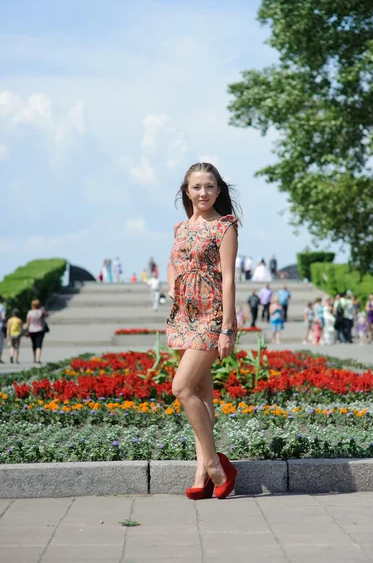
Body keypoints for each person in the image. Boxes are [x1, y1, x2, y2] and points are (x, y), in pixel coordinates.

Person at [166, 162, 240, 500]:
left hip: (211, 317)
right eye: (196, 187)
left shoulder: (224, 227)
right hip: (184, 316)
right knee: (201, 393)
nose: (203, 193)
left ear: (218, 190)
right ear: (187, 191)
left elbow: (228, 278)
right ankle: (202, 471)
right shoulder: (181, 228)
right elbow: (173, 262)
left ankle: (214, 465)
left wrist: (228, 327)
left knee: (181, 387)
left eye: (209, 187)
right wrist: (171, 285)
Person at [26, 299, 48, 365]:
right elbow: (47, 315)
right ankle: (38, 359)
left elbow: (28, 322)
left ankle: (34, 358)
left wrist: (27, 330)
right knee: (39, 344)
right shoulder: (41, 312)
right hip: (40, 329)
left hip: (32, 330)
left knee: (34, 344)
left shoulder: (30, 312)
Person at [0, 295, 6, 364]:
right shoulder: (2, 307)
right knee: (0, 342)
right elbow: (3, 317)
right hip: (0, 326)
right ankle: (0, 358)